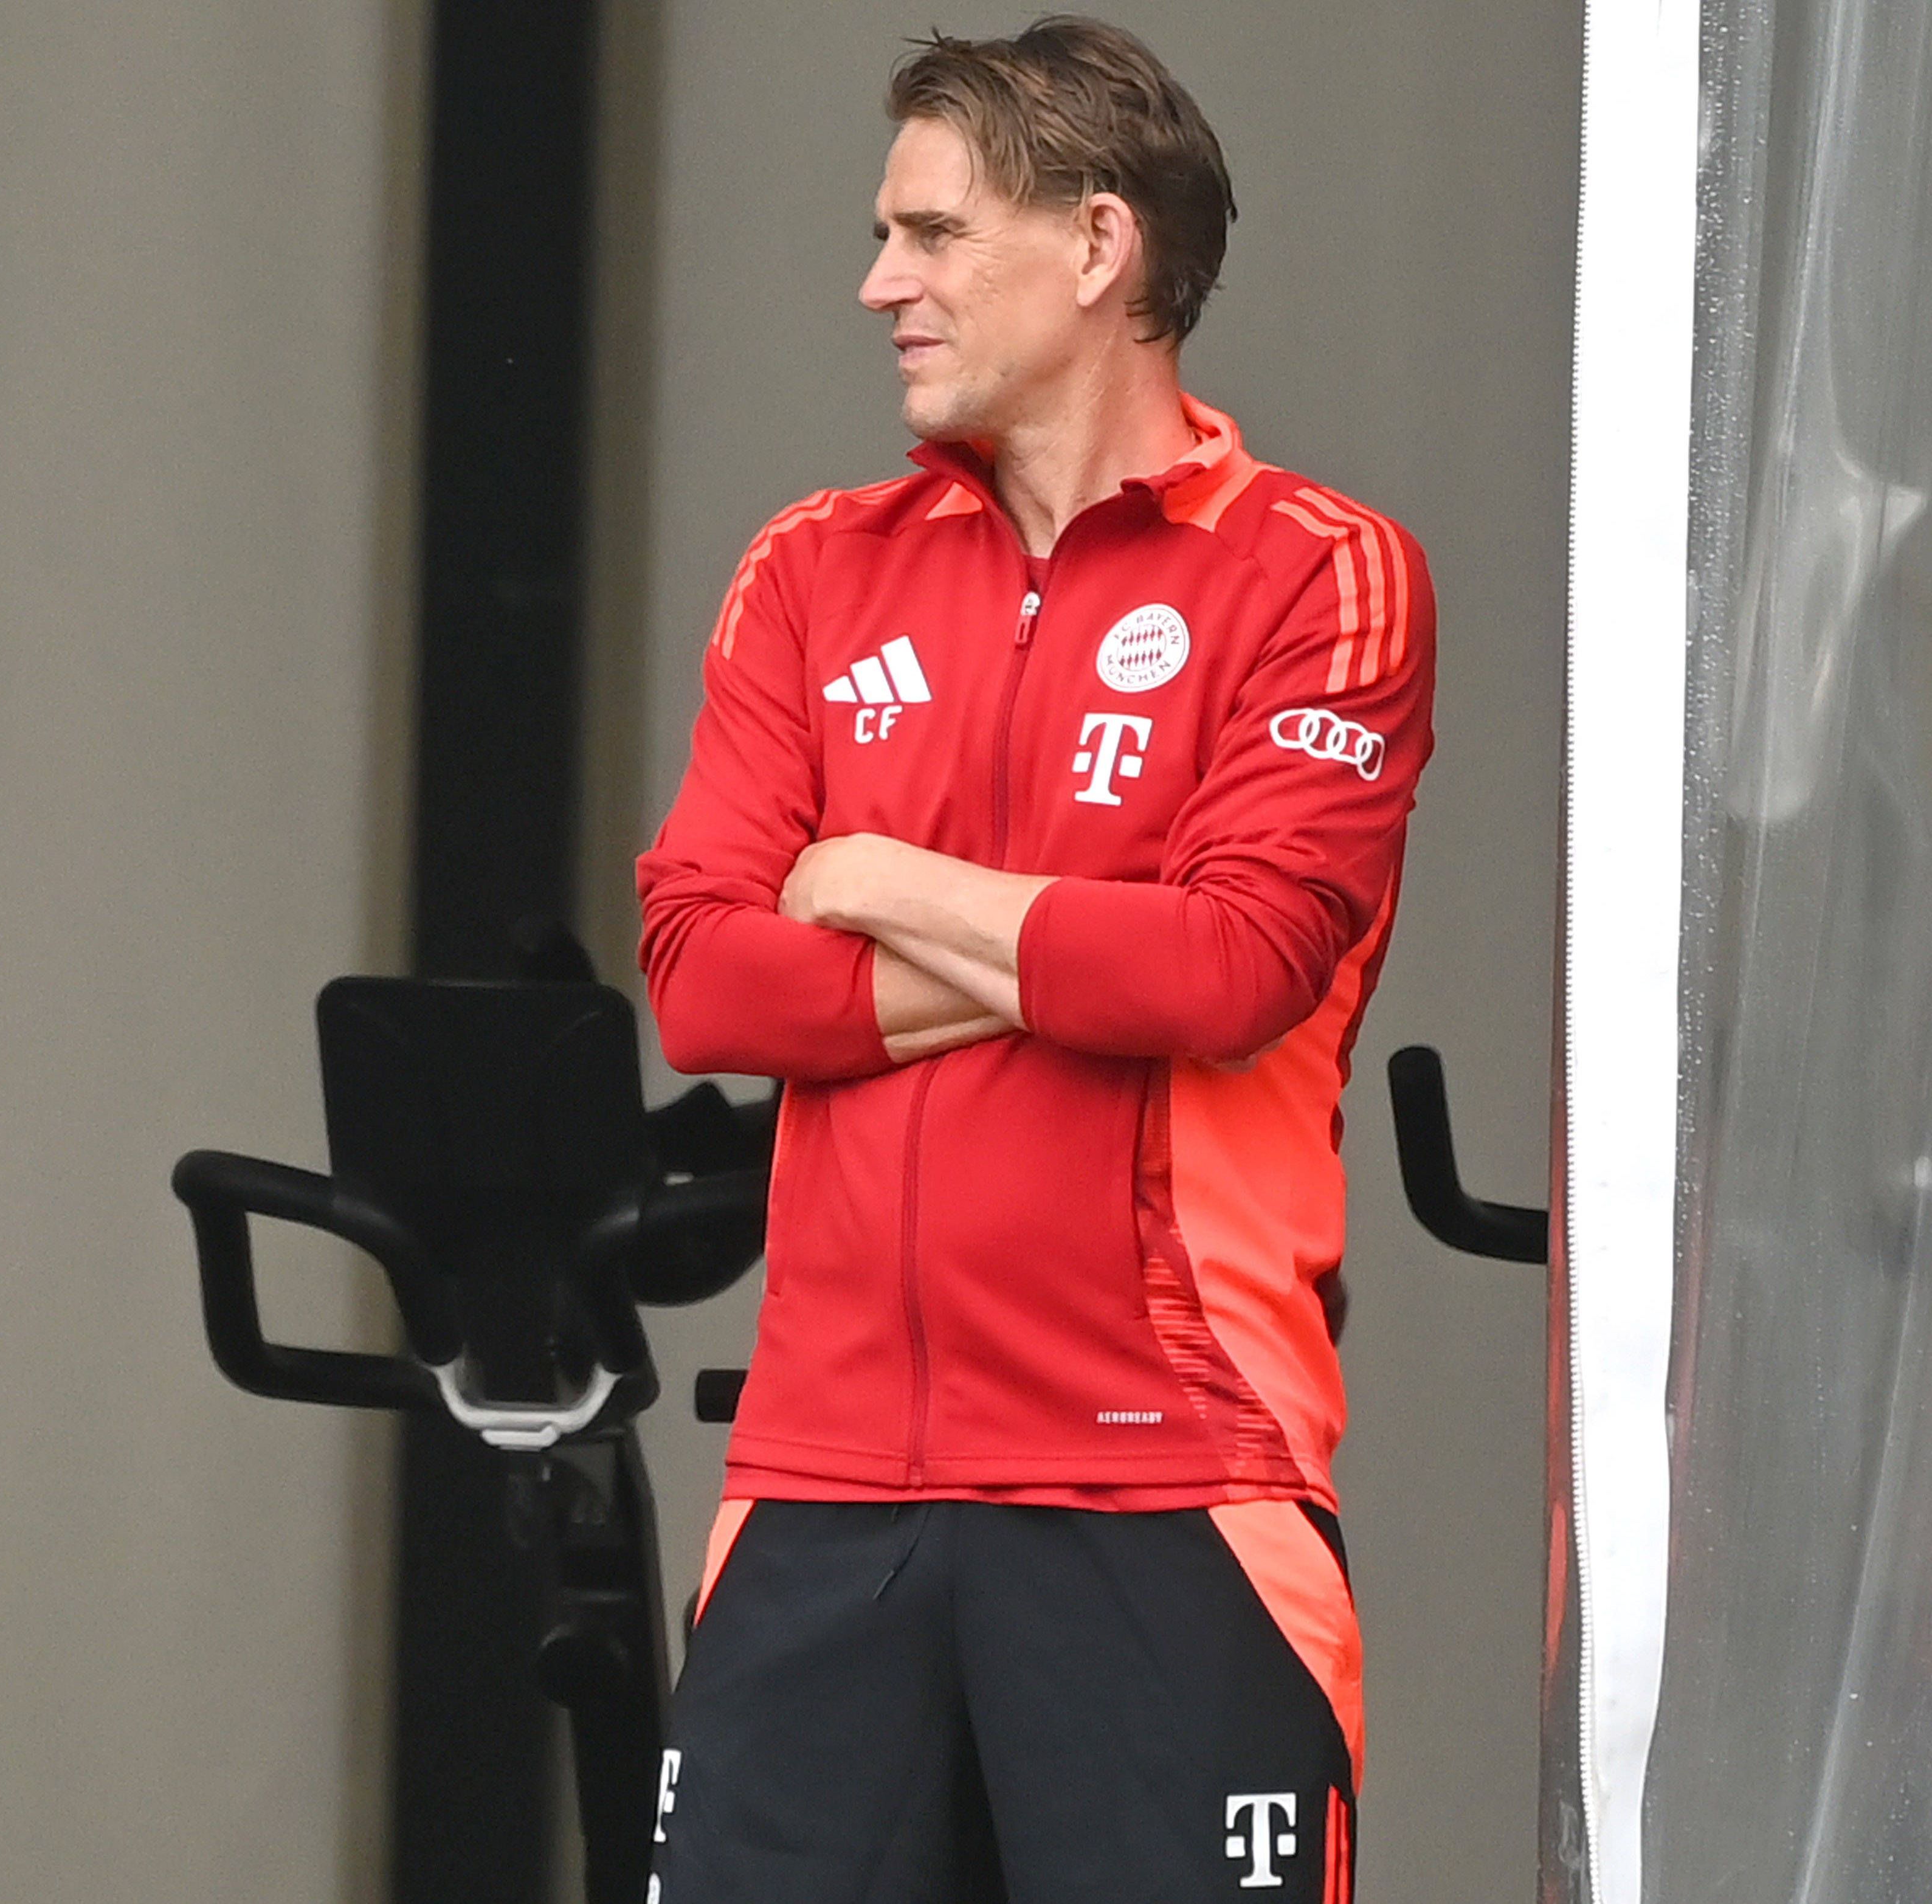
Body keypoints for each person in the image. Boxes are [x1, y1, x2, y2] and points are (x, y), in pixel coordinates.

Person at [635, 19, 1429, 1902]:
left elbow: (1227, 973)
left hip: (1174, 1491)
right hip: (824, 1495)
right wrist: (1072, 947)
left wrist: (882, 874)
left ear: (1096, 248)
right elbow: (704, 979)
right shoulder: (812, 568)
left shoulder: (1321, 573)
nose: (876, 283)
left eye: (927, 233)